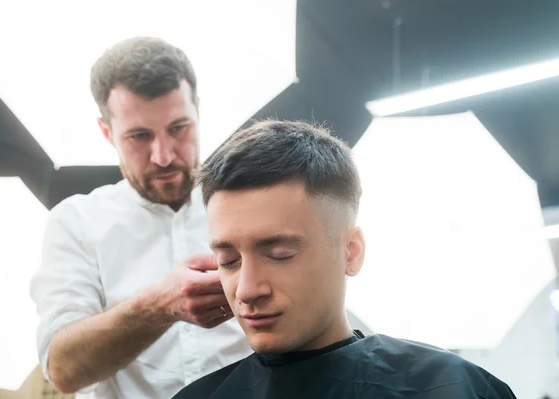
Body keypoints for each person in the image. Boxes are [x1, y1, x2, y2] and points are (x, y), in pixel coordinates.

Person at [173, 120, 517, 398]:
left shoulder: (451, 388)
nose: (247, 290)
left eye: (280, 254)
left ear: (350, 252)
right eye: (229, 260)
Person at [29, 37, 251, 399]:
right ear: (107, 133)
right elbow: (63, 369)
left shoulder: (250, 204)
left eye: (179, 128)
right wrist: (159, 305)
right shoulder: (74, 223)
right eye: (139, 136)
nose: (163, 156)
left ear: (199, 112)